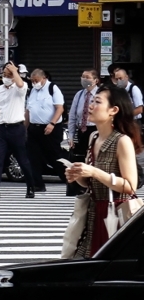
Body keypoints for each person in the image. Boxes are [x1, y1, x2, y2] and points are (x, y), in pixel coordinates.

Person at [66, 85, 143, 258]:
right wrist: (78, 175)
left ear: (113, 110)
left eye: (97, 101)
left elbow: (130, 186)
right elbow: (90, 181)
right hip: (94, 213)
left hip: (116, 215)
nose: (91, 106)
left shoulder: (122, 141)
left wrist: (93, 172)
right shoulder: (93, 137)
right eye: (92, 101)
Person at [0, 61, 36, 199]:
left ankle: (30, 186)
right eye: (4, 74)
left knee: (22, 159)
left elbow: (20, 84)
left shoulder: (21, 87)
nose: (5, 76)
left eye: (8, 74)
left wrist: (14, 71)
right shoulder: (0, 88)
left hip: (16, 128)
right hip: (2, 128)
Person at [25, 68, 65, 193]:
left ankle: (70, 181)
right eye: (32, 80)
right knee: (33, 157)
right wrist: (24, 128)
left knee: (54, 156)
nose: (34, 82)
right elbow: (28, 111)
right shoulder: (32, 91)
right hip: (34, 128)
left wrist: (52, 123)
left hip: (50, 128)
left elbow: (60, 108)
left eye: (36, 80)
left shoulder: (52, 88)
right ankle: (38, 184)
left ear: (43, 78)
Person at [68, 69, 99, 195]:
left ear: (95, 80)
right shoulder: (79, 94)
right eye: (82, 77)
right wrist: (71, 135)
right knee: (81, 159)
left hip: (95, 129)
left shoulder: (101, 94)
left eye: (87, 77)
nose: (84, 79)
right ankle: (81, 187)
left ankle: (95, 184)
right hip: (82, 130)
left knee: (95, 158)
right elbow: (72, 116)